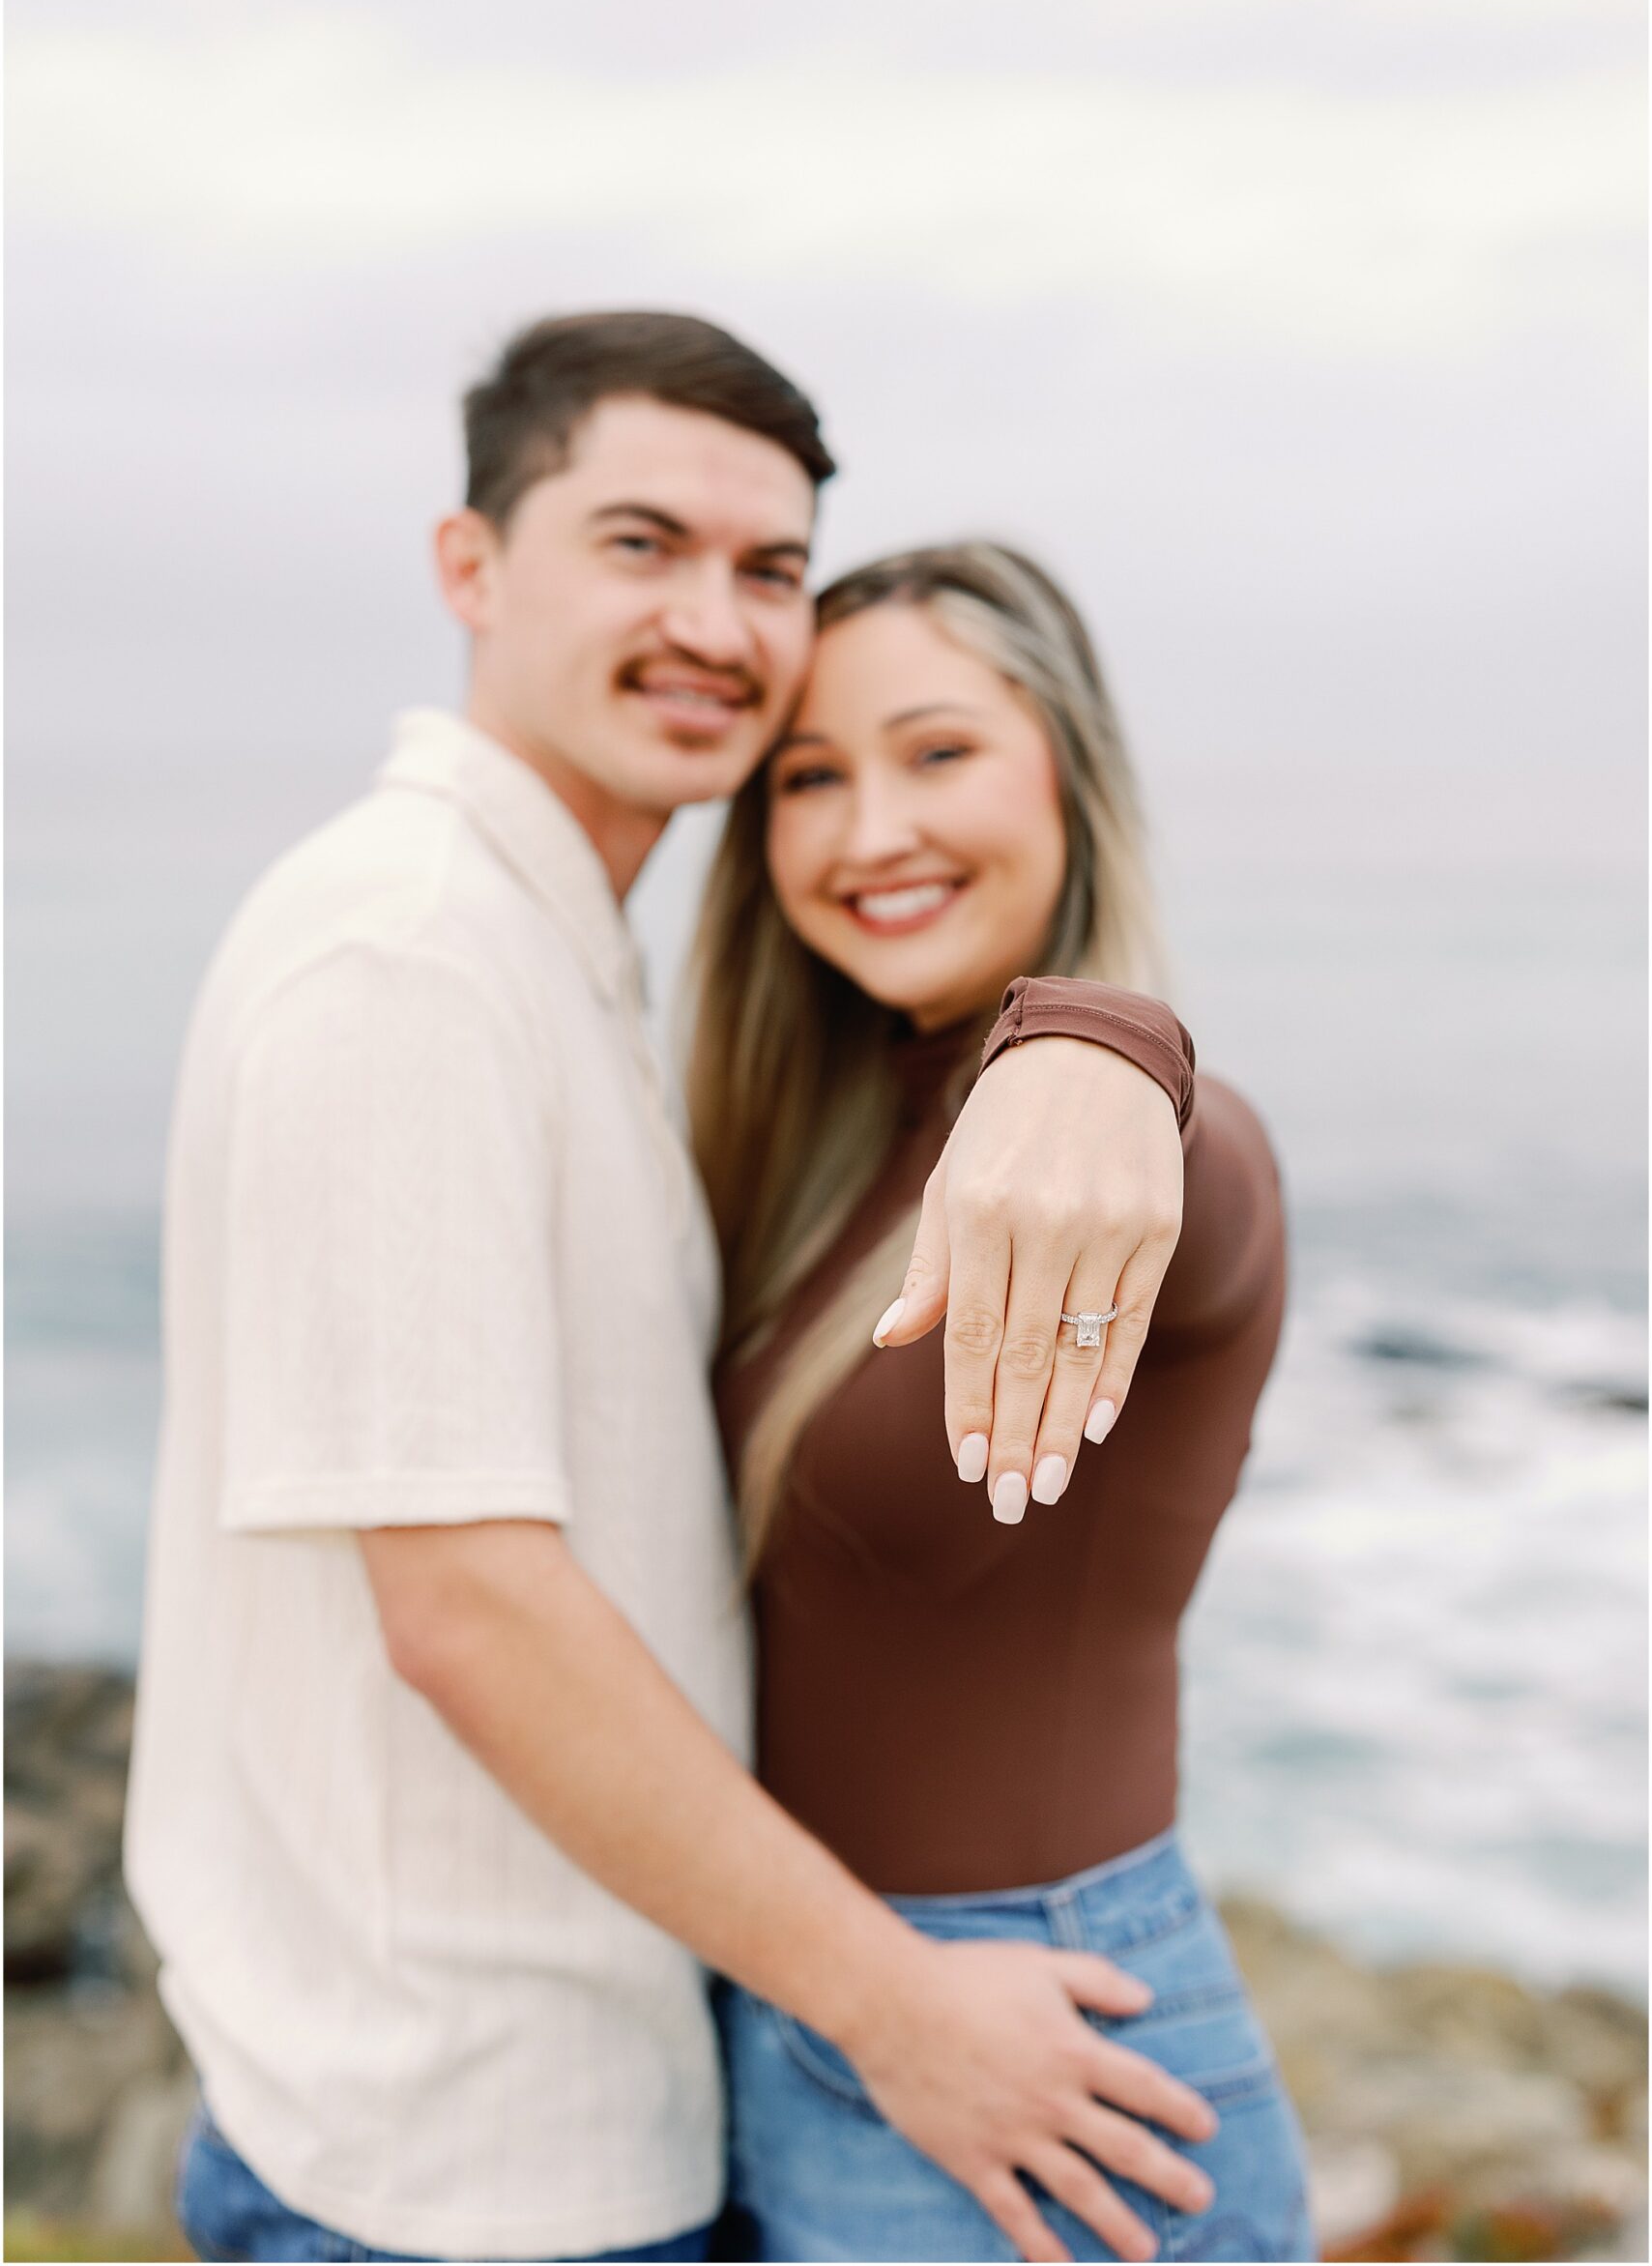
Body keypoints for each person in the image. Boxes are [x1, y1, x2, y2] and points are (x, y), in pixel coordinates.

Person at [125, 313, 1225, 2266]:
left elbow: (1163, 1164)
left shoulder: (571, 967)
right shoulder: (412, 954)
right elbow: (468, 1602)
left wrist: (1105, 1036)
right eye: (642, 544)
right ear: (473, 564)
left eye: (769, 567)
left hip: (599, 2108)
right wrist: (892, 2004)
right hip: (455, 2165)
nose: (716, 620)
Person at [696, 543, 1316, 2261]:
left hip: (1048, 2067)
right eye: (808, 778)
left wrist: (1104, 1051)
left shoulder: (1141, 1158)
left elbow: (1186, 1166)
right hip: (829, 2026)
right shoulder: (817, 1159)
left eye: (937, 751)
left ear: (1068, 766)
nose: (867, 828)